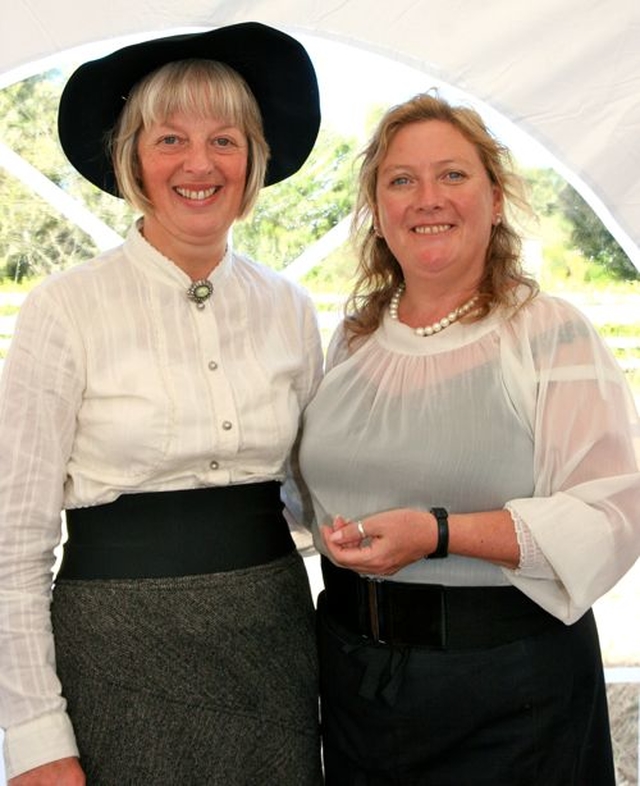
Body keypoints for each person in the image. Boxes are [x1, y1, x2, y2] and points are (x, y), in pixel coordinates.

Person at [0, 22, 324, 785]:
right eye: (170, 138)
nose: (199, 163)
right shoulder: (64, 308)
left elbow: (321, 498)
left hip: (273, 649)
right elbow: (11, 550)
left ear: (253, 160)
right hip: (115, 658)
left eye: (225, 139)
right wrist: (36, 737)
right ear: (134, 161)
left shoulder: (290, 309)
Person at [298, 90, 640, 785]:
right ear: (378, 210)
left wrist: (439, 532)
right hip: (359, 684)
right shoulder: (355, 338)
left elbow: (612, 514)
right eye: (402, 180)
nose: (428, 198)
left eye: (452, 175)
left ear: (496, 197)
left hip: (509, 694)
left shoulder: (546, 331)